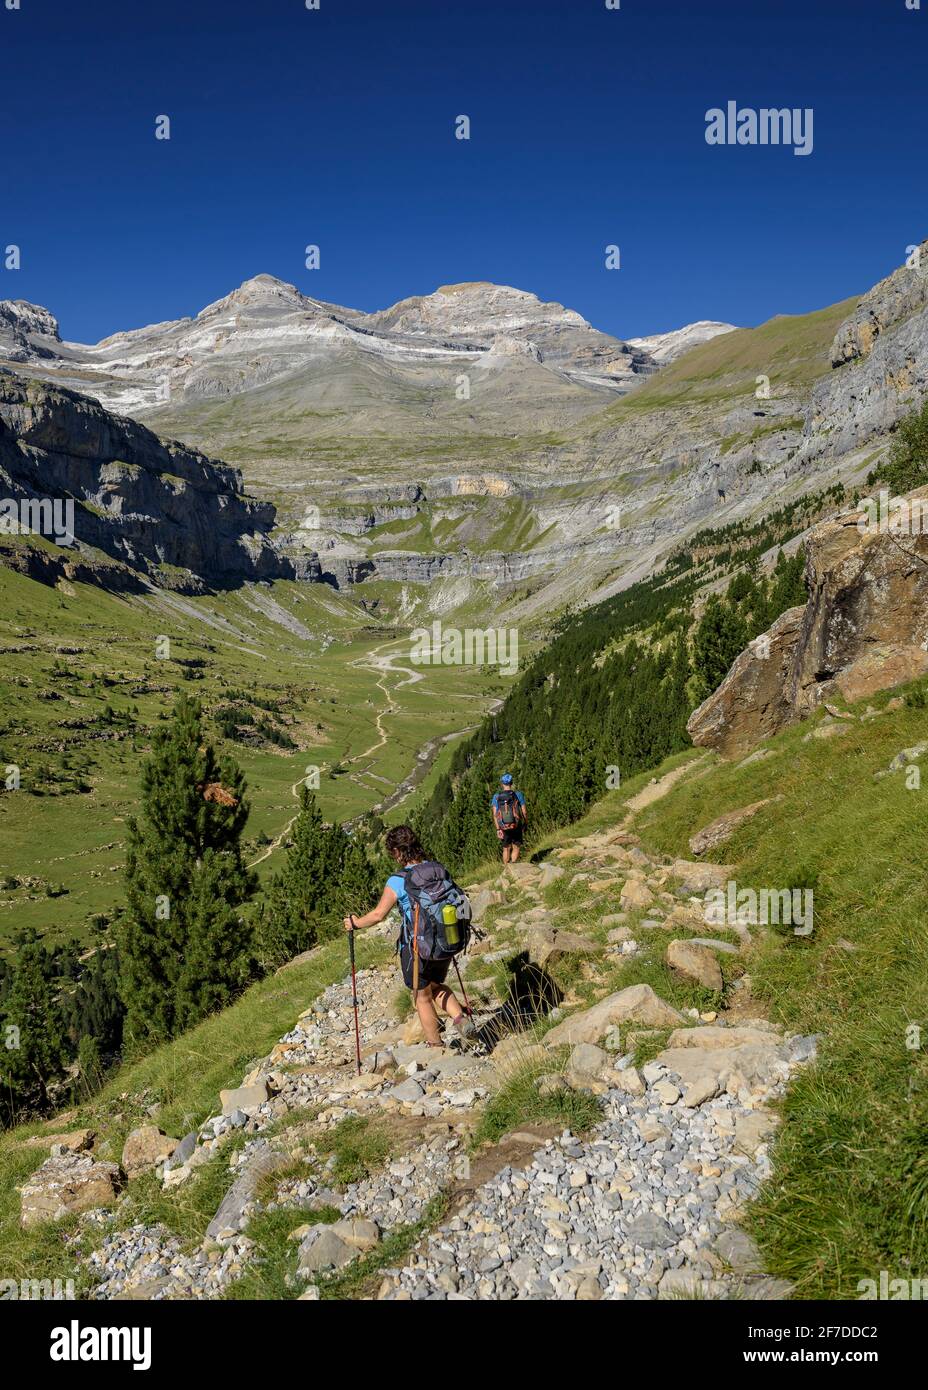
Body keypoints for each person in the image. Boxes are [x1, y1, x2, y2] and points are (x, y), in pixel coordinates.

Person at [344, 824, 476, 1048]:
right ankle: (460, 1018)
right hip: (446, 941)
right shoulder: (437, 869)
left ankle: (436, 1046)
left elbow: (378, 915)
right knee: (435, 987)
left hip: (418, 948)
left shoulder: (399, 880)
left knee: (422, 996)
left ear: (397, 852)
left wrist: (354, 923)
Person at [491, 773, 527, 863]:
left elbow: (495, 814)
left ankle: (507, 870)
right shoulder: (518, 794)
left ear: (502, 783)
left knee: (506, 848)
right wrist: (525, 822)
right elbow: (524, 811)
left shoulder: (496, 797)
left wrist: (498, 829)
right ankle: (513, 865)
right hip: (516, 824)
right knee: (516, 846)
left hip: (503, 826)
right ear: (511, 782)